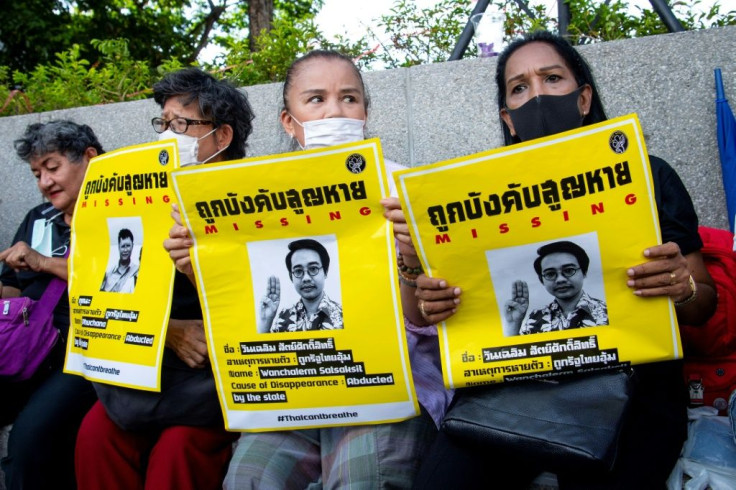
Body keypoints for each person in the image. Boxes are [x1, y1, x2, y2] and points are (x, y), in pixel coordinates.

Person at [412, 31, 717, 489]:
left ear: (583, 97)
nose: (536, 94)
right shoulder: (475, 196)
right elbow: (444, 308)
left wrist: (681, 287)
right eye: (519, 87)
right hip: (507, 392)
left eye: (552, 78)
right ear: (508, 119)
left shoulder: (648, 174)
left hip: (631, 387)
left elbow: (704, 304)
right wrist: (438, 301)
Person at [160, 50, 450, 488]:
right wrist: (193, 268)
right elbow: (240, 311)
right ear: (289, 121)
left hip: (385, 385)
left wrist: (410, 258)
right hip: (290, 386)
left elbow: (423, 319)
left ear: (365, 112)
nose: (335, 110)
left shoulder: (403, 190)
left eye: (349, 98)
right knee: (247, 481)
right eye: (316, 99)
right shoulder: (245, 198)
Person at [75, 67, 255, 490]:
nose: (167, 135)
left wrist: (196, 273)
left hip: (214, 375)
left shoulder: (251, 200)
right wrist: (166, 332)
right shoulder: (141, 198)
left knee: (181, 450)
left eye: (181, 124)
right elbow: (102, 298)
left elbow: (258, 306)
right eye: (164, 123)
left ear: (222, 138)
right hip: (144, 366)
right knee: (95, 433)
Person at [0, 120, 102, 490]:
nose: (44, 182)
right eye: (36, 173)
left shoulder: (122, 215)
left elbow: (118, 284)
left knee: (29, 443)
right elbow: (11, 288)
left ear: (89, 158)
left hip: (82, 352)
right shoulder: (37, 219)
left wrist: (43, 262)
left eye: (53, 167)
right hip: (23, 349)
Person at [504, 240, 608, 336]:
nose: (560, 279)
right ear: (542, 280)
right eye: (550, 274)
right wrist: (514, 324)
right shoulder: (536, 317)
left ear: (584, 272)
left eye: (569, 270)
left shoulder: (606, 312)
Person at [259, 238, 343, 333]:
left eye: (313, 269)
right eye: (298, 271)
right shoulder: (283, 317)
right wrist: (265, 322)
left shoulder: (343, 316)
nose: (306, 278)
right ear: (291, 277)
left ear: (325, 272)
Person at [99, 228, 139, 293]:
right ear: (118, 247)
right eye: (123, 246)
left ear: (132, 246)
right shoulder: (109, 273)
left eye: (128, 246)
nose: (125, 250)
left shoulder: (137, 271)